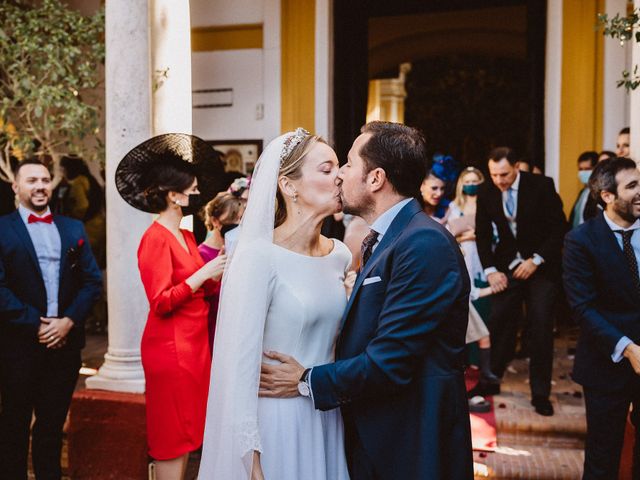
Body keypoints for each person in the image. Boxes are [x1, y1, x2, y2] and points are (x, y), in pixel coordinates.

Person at [259, 122, 473, 479]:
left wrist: (305, 379)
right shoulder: (390, 238)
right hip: (371, 430)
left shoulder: (423, 244)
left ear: (375, 179)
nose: (340, 176)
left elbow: (390, 360)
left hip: (411, 441)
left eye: (346, 164)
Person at [198, 128, 354, 480]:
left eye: (339, 167)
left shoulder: (340, 255)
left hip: (325, 416)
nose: (340, 177)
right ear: (289, 185)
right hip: (277, 424)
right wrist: (251, 465)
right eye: (326, 170)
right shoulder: (257, 257)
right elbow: (238, 369)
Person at [116, 134, 225, 480]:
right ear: (172, 194)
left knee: (193, 431)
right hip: (170, 349)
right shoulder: (154, 239)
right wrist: (203, 274)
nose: (196, 192)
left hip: (195, 346)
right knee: (173, 436)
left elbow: (203, 287)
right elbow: (161, 302)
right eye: (191, 188)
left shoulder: (188, 235)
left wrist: (222, 269)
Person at [0, 158, 102, 479]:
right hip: (18, 347)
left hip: (65, 346)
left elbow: (91, 281)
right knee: (14, 427)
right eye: (31, 180)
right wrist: (38, 323)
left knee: (51, 427)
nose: (40, 186)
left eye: (45, 180)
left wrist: (67, 321)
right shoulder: (2, 229)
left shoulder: (73, 228)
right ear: (16, 187)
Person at [563, 157, 640, 479]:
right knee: (602, 457)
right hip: (606, 362)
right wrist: (629, 349)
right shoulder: (581, 240)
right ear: (607, 196)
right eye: (632, 186)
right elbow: (583, 308)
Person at [476, 146, 567, 416]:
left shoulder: (542, 186)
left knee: (540, 325)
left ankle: (540, 394)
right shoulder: (487, 191)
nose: (499, 180)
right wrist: (491, 269)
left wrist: (536, 259)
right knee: (500, 320)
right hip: (508, 266)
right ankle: (491, 378)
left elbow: (559, 228)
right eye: (494, 175)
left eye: (504, 174)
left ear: (517, 167)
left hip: (542, 266)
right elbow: (482, 234)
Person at [447, 167, 500, 398]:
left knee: (484, 315)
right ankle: (466, 365)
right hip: (463, 258)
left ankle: (484, 368)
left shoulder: (489, 203)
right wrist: (466, 236)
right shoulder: (454, 206)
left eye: (474, 181)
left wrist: (474, 235)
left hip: (484, 260)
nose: (470, 184)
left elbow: (496, 233)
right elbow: (449, 233)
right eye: (466, 180)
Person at [198, 192, 243, 352]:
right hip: (212, 330)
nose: (237, 225)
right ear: (215, 221)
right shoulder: (201, 255)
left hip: (236, 329)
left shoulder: (243, 251)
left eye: (240, 219)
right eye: (232, 218)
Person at [569, 151, 599, 228]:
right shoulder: (583, 192)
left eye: (587, 169)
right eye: (580, 169)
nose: (583, 172)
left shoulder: (598, 193)